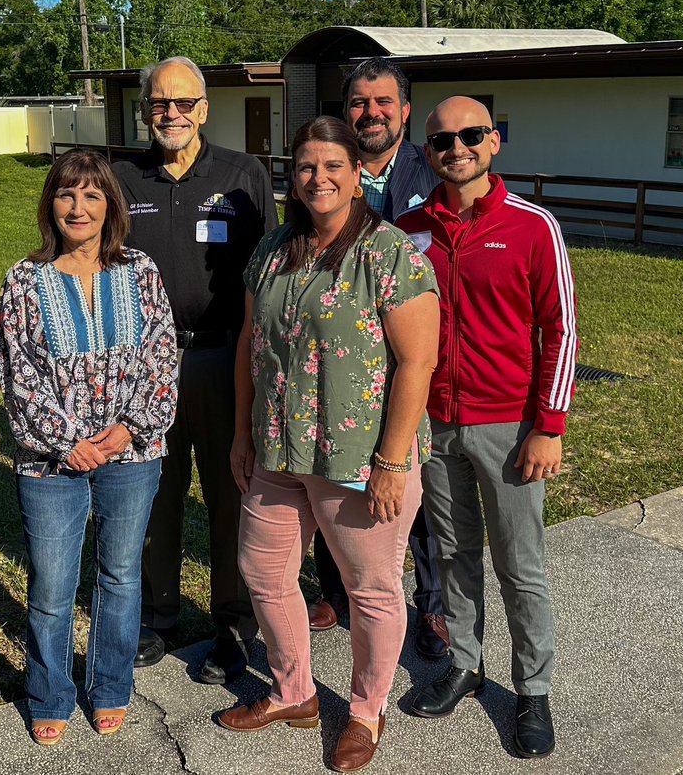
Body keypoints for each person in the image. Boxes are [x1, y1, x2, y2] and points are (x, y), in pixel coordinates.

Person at [218, 117, 439, 773]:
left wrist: (394, 461)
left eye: (333, 166)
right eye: (307, 166)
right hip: (278, 449)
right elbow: (248, 345)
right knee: (263, 570)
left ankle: (367, 710)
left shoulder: (388, 252)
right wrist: (240, 431)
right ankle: (294, 691)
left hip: (358, 457)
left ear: (356, 174)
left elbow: (418, 361)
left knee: (370, 587)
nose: (319, 177)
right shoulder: (274, 248)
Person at [397, 97, 577, 758]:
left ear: (494, 141)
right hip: (435, 424)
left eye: (471, 135)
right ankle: (466, 663)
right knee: (453, 554)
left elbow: (561, 327)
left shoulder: (533, 226)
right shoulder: (410, 229)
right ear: (429, 150)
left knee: (520, 564)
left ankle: (532, 688)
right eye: (442, 140)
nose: (457, 148)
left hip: (509, 424)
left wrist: (548, 424)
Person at [0, 149, 178, 746]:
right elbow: (16, 373)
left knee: (120, 575)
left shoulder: (141, 271)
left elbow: (161, 358)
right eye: (67, 194)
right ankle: (49, 691)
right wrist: (68, 442)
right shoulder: (25, 279)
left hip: (132, 452)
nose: (79, 207)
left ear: (110, 207)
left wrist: (128, 430)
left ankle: (111, 686)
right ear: (51, 204)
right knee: (52, 585)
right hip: (50, 460)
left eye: (92, 195)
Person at [113, 56, 277, 684]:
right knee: (153, 492)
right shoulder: (122, 177)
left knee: (232, 490)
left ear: (205, 109)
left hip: (224, 357)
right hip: (144, 364)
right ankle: (156, 616)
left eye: (184, 103)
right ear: (145, 108)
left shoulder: (242, 175)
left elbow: (271, 269)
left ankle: (234, 622)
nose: (171, 114)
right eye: (159, 103)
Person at [306, 58, 449, 663]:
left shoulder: (434, 173)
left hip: (413, 357)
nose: (371, 113)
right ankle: (336, 589)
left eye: (383, 102)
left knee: (419, 495)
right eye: (359, 103)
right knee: (331, 478)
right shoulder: (329, 173)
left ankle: (435, 607)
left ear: (405, 110)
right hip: (338, 364)